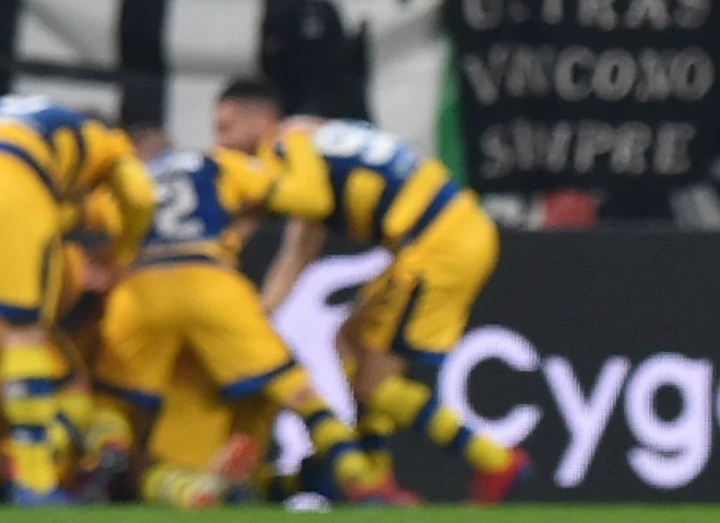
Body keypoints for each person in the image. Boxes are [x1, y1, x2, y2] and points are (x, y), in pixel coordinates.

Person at [214, 80, 530, 504]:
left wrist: (254, 317)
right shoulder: (315, 135)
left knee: (373, 386)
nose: (222, 144)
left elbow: (297, 252)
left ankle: (494, 461)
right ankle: (380, 483)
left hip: (435, 243)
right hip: (451, 230)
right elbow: (303, 241)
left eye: (226, 128)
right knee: (350, 339)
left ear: (263, 120)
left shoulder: (284, 148)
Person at [92, 146, 404, 505]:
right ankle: (360, 481)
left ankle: (108, 464)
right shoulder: (216, 162)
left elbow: (102, 234)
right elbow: (307, 198)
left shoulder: (129, 180)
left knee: (113, 406)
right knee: (293, 389)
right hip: (209, 279)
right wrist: (297, 147)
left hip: (141, 285)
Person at [0, 95, 154, 505]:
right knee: (23, 335)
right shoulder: (106, 144)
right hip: (14, 185)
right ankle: (34, 483)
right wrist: (124, 251)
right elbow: (141, 197)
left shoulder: (9, 116)